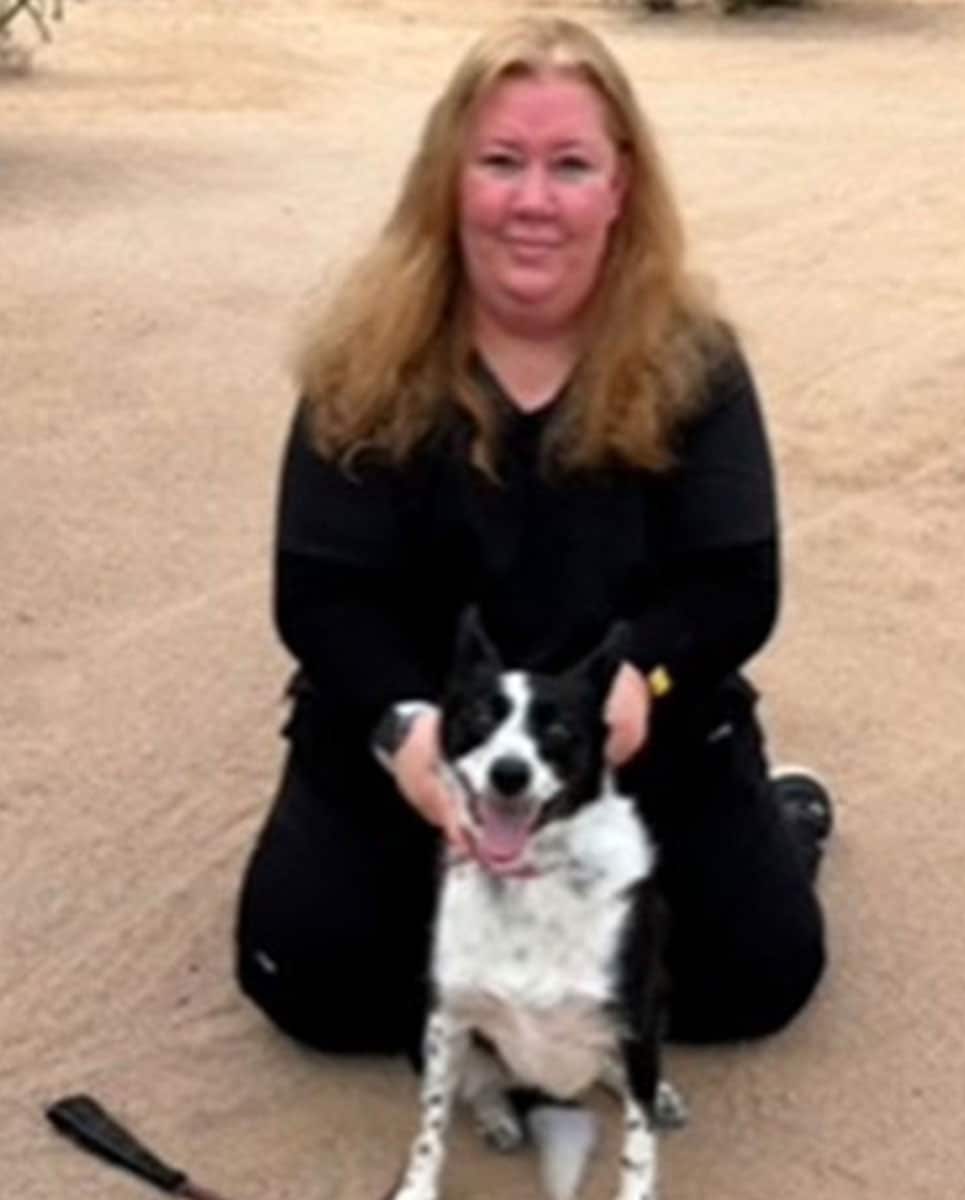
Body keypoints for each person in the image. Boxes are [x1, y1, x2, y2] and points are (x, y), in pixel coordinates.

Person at [234, 15, 833, 1057]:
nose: (532, 202)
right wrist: (407, 733)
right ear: (449, 178)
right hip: (418, 737)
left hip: (622, 731)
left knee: (753, 980)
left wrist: (641, 680)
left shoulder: (694, 361)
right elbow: (321, 593)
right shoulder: (362, 358)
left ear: (620, 187)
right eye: (501, 162)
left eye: (570, 166)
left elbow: (735, 582)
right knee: (312, 986)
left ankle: (776, 825)